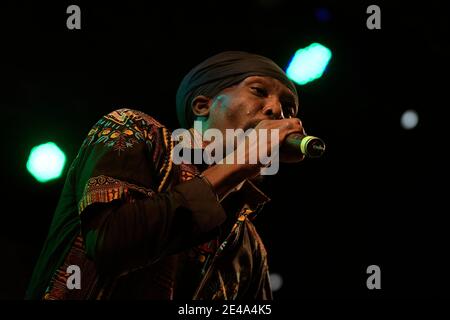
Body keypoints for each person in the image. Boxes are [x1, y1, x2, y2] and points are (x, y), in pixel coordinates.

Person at [25, 51, 306, 300]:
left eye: (288, 109)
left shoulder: (248, 246)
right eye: (258, 91)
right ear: (202, 105)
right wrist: (241, 162)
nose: (276, 110)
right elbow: (113, 243)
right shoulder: (133, 130)